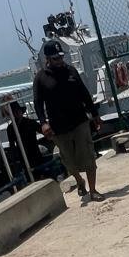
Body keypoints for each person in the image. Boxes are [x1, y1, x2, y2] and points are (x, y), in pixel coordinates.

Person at [33, 39, 102, 201]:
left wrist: (95, 115)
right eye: (56, 58)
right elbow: (38, 103)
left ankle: (93, 190)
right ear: (48, 59)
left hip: (79, 121)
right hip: (58, 126)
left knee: (88, 155)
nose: (60, 60)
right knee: (68, 160)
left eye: (61, 57)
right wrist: (43, 123)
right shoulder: (40, 78)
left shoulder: (71, 71)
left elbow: (84, 94)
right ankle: (79, 180)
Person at [6, 100, 47, 173]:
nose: (17, 113)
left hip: (35, 153)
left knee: (40, 172)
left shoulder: (30, 122)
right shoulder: (10, 128)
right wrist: (14, 160)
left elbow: (43, 130)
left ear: (21, 112)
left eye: (18, 111)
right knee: (29, 173)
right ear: (12, 114)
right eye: (14, 112)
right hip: (23, 157)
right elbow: (12, 145)